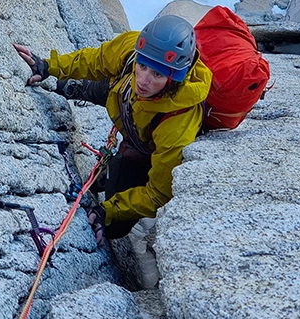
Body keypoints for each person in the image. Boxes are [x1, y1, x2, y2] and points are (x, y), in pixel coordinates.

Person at [14, 15, 212, 244]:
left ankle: (110, 175)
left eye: (157, 74)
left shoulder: (178, 123)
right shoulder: (134, 48)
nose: (144, 80)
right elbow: (96, 60)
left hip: (145, 148)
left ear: (175, 78)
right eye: (143, 66)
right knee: (102, 86)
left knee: (114, 226)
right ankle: (76, 88)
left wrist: (109, 211)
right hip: (122, 98)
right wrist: (48, 66)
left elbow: (159, 193)